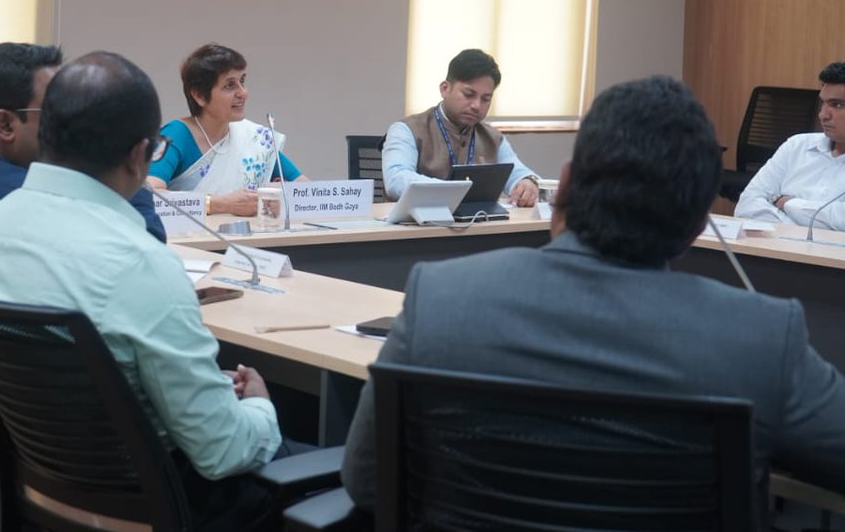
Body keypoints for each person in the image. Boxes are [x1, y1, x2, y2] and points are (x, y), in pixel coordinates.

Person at [343, 75, 845, 513]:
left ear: (562, 186)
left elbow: (366, 481)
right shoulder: (762, 337)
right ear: (699, 222)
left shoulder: (439, 297)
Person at [0, 51, 285, 528]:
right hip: (152, 509)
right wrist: (261, 406)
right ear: (139, 154)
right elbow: (223, 452)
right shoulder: (142, 267)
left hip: (28, 498)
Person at [0, 43, 165, 275]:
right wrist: (127, 159)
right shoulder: (33, 198)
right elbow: (144, 254)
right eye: (54, 110)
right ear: (6, 124)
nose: (69, 120)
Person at [147, 43, 306, 217]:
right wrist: (223, 204)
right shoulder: (176, 135)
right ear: (199, 95)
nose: (243, 92)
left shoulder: (254, 138)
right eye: (229, 86)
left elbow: (306, 191)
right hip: (190, 241)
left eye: (242, 81)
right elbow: (149, 196)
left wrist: (281, 195)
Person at [381, 48, 539, 206]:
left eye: (485, 99)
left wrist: (526, 182)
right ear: (445, 89)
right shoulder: (407, 130)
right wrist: (453, 191)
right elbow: (396, 179)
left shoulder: (492, 138)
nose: (476, 105)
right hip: (417, 226)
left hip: (478, 228)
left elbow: (517, 172)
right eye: (468, 94)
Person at [735, 62, 845, 230]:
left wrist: (789, 204)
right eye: (823, 103)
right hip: (776, 251)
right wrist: (802, 233)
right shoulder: (797, 146)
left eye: (837, 105)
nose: (823, 115)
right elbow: (747, 206)